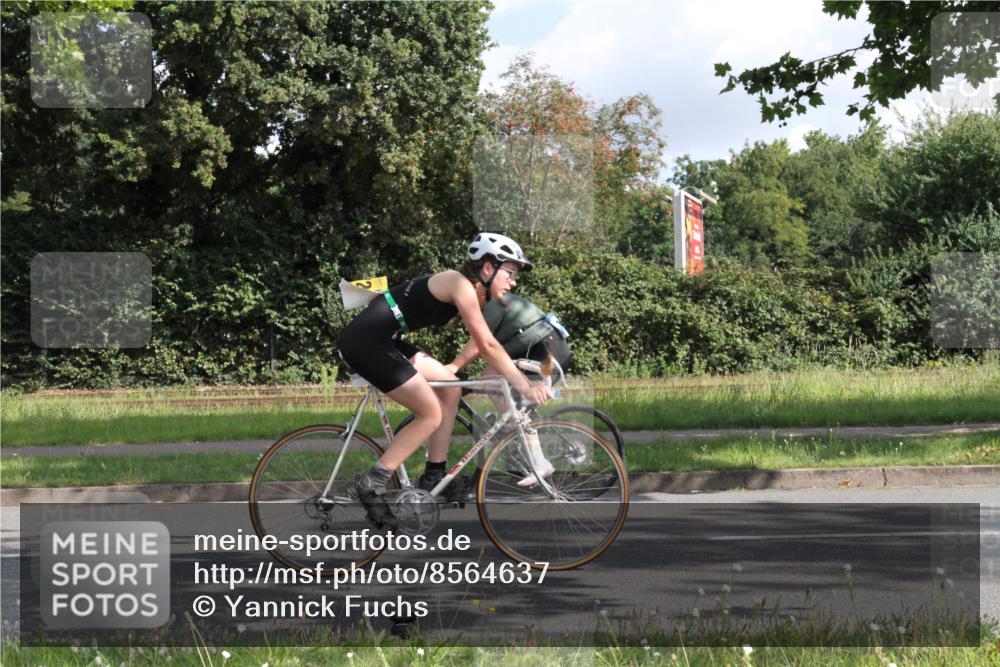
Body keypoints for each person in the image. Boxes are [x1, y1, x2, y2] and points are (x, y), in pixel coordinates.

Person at [338, 233, 551, 528]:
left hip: (384, 340)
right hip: (367, 342)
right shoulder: (458, 283)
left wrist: (456, 368)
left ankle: (434, 476)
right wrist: (523, 384)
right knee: (430, 413)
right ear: (487, 269)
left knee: (451, 391)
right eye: (510, 273)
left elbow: (483, 343)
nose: (514, 282)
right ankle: (371, 484)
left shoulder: (471, 291)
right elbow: (487, 345)